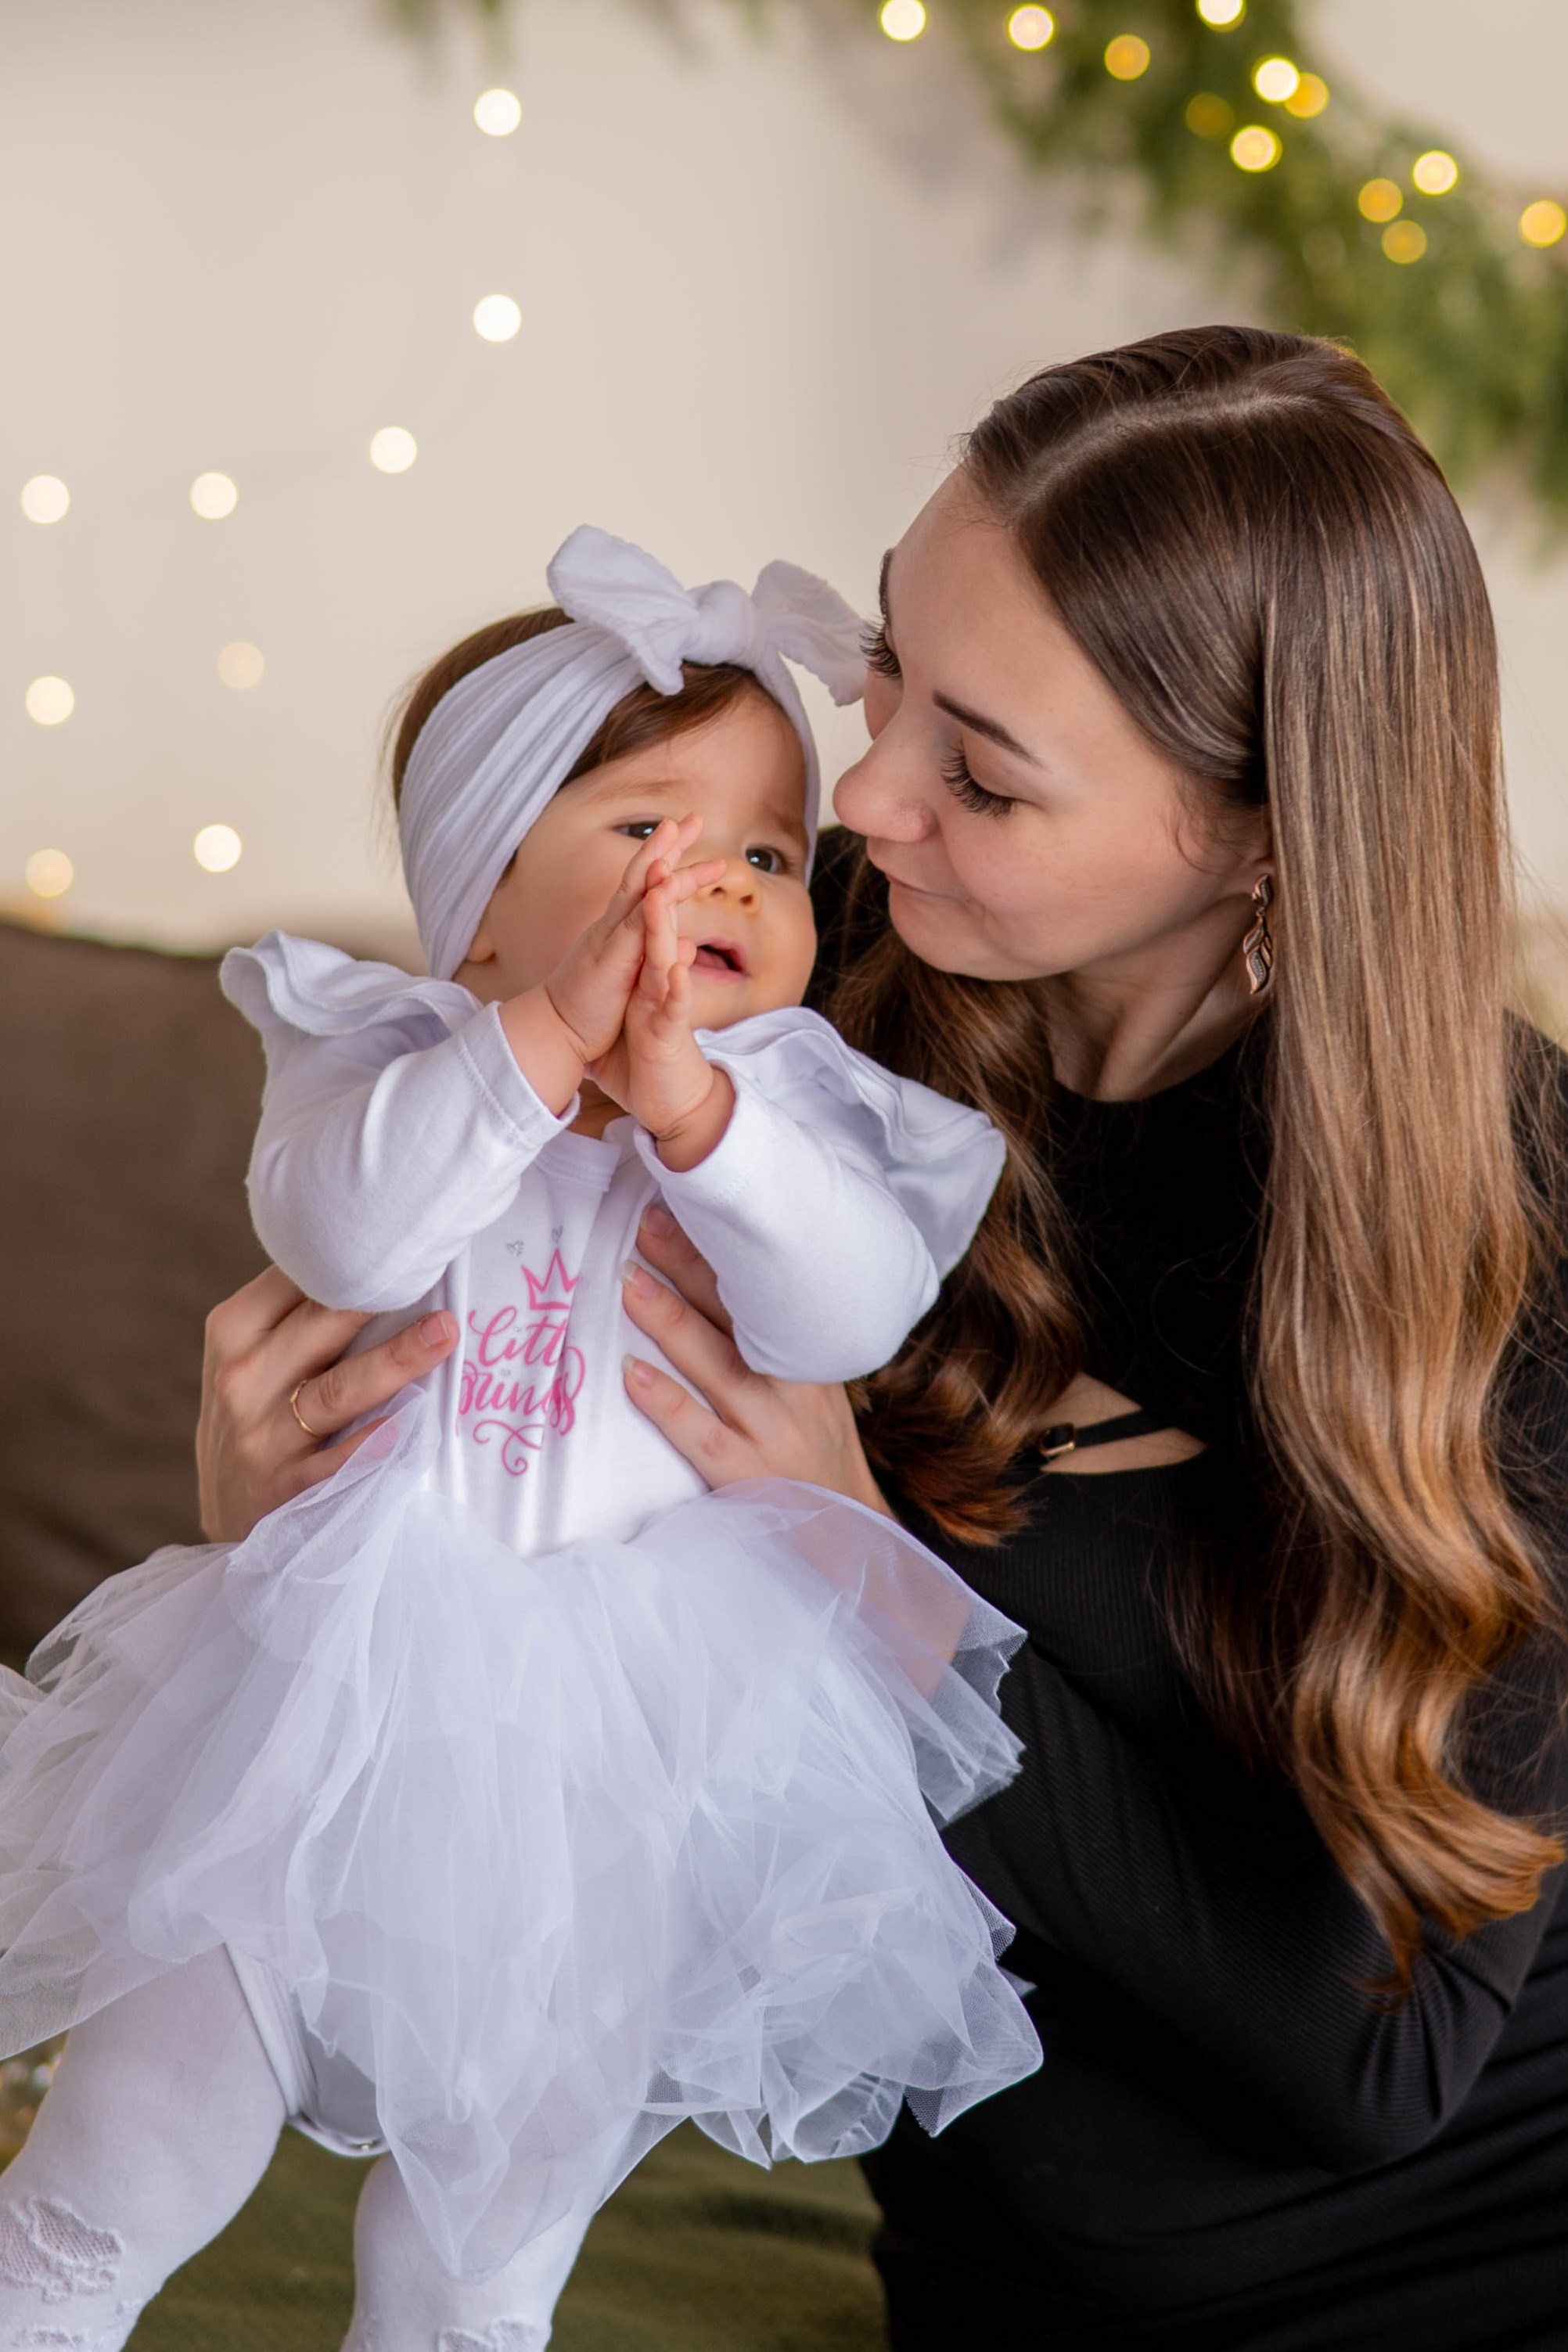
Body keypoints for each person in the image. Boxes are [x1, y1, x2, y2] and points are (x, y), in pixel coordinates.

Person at [206, 326, 1568, 2350]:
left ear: (1257, 826)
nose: (866, 795)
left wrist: (861, 1560)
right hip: (978, 2277)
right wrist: (286, 1515)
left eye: (984, 770)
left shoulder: (1507, 1231)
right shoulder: (795, 957)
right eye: (884, 673)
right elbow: (450, 1230)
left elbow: (1365, 2053)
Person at [0, 528, 1045, 2352]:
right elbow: (349, 1240)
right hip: (312, 1697)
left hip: (625, 1768)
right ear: (478, 898)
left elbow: (846, 1314)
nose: (714, 880)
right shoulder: (388, 1056)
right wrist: (544, 1040)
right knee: (135, 2153)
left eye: (773, 855)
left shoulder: (785, 1105)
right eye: (650, 832)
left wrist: (705, 1119)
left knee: (482, 2258)